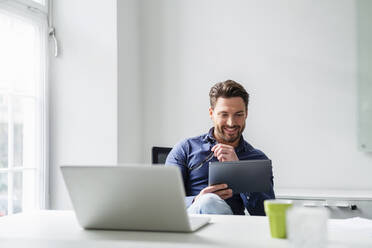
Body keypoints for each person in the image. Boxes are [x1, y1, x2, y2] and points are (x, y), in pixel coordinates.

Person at [165, 80, 275, 215]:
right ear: (211, 113)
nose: (231, 122)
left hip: (231, 230)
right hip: (192, 226)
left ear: (246, 114)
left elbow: (265, 215)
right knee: (208, 201)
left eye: (238, 115)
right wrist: (197, 200)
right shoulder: (185, 148)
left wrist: (240, 172)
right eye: (224, 114)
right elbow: (165, 202)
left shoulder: (258, 160)